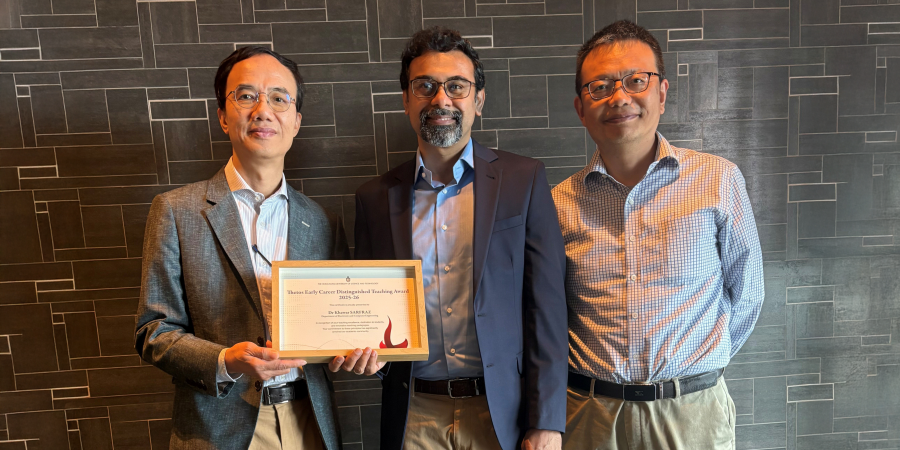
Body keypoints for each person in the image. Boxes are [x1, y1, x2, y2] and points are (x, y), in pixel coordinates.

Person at [328, 27, 568, 450]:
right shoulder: (373, 198)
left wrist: (547, 420)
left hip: (502, 413)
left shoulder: (524, 180)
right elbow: (370, 310)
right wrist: (364, 353)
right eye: (425, 86)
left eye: (456, 86)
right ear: (406, 100)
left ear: (478, 100)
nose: (441, 99)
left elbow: (546, 306)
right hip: (414, 415)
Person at [552, 20, 765, 449]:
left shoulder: (718, 180)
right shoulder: (558, 203)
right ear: (580, 108)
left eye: (636, 81)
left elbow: (748, 295)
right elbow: (550, 315)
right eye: (600, 87)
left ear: (662, 93)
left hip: (692, 415)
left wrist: (696, 370)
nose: (619, 98)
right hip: (591, 416)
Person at [135, 46, 348, 450]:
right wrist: (226, 361)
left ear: (296, 121)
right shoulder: (176, 211)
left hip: (309, 423)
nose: (263, 110)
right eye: (247, 96)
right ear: (222, 115)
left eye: (279, 98)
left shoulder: (323, 222)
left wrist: (357, 351)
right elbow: (154, 332)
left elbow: (337, 327)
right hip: (217, 430)